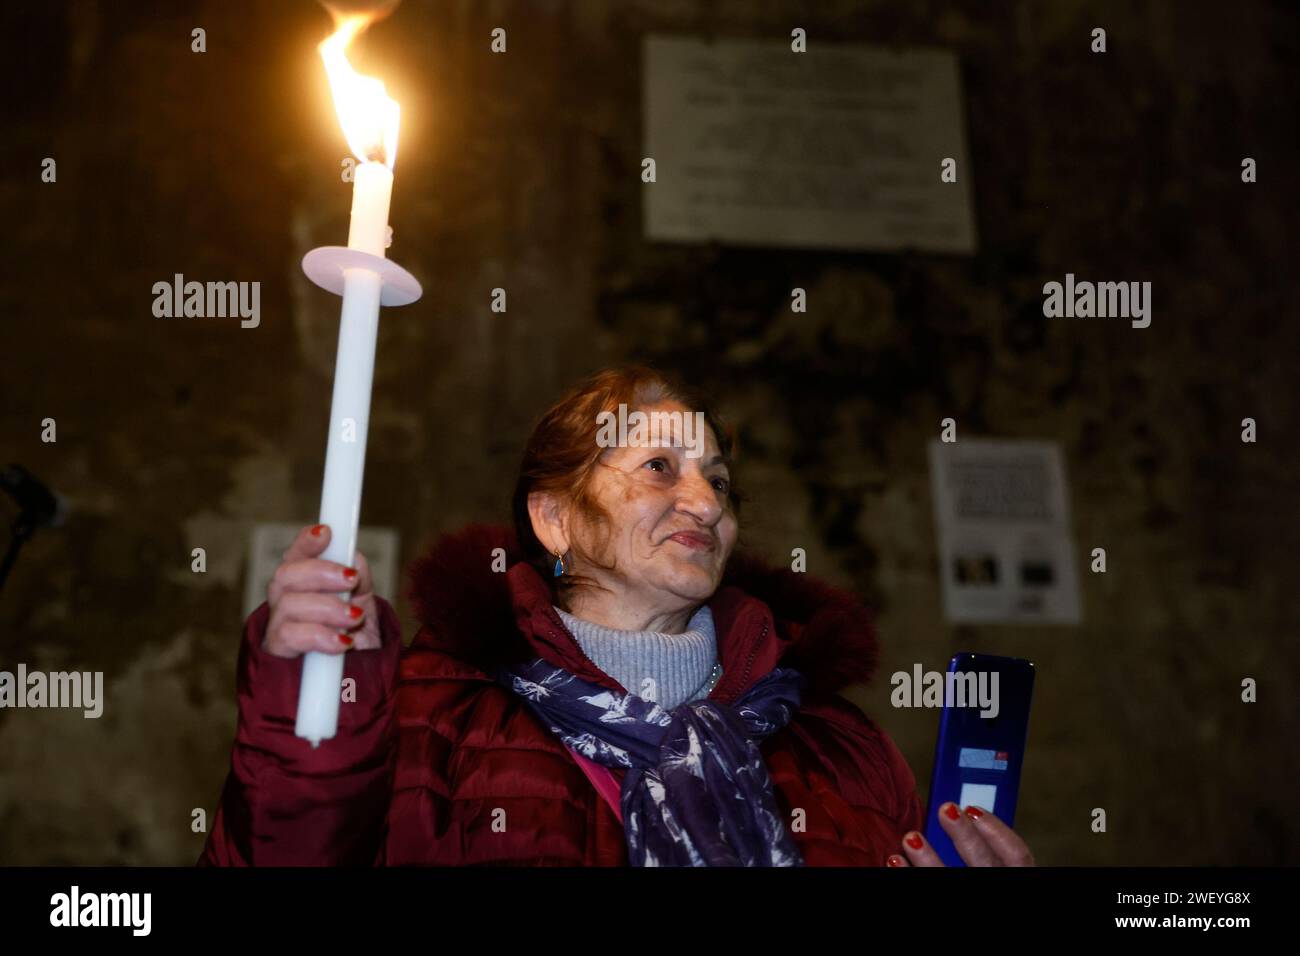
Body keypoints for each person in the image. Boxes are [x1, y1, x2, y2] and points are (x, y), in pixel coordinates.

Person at [200, 366, 1035, 867]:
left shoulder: (838, 745)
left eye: (718, 478)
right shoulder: (429, 713)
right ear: (555, 520)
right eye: (660, 467)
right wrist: (310, 706)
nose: (704, 502)